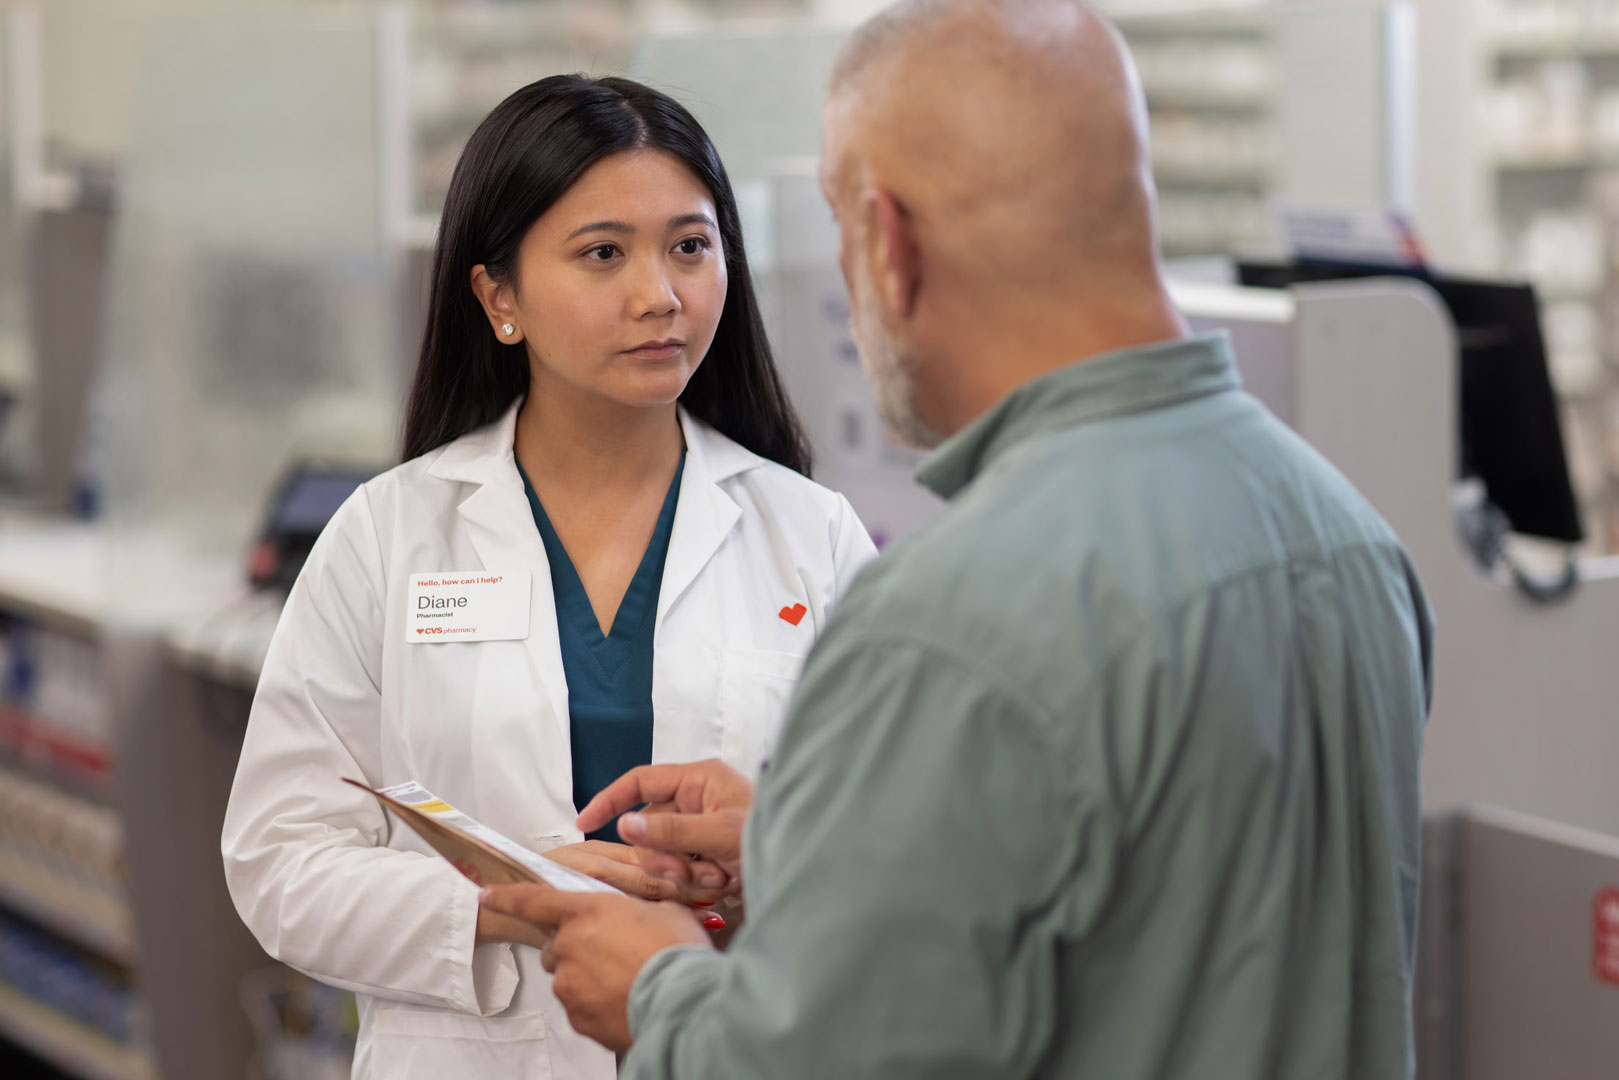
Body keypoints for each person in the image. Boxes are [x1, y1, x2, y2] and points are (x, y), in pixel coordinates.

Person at [482, 3, 1436, 1078]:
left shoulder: (954, 618)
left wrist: (657, 992)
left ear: (886, 244)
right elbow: (1166, 917)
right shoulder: (1346, 541)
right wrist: (822, 849)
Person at [221, 74, 876, 1080]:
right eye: (603, 253)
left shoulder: (810, 536)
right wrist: (502, 906)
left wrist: (774, 864)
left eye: (690, 246)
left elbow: (897, 853)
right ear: (498, 297)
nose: (658, 293)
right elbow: (280, 863)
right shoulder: (390, 535)